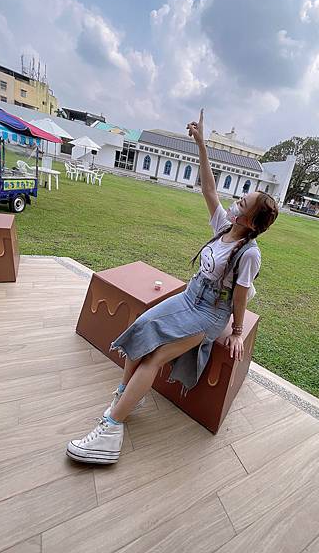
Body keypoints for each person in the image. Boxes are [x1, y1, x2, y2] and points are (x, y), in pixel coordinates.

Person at [66, 109, 279, 464]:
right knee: (140, 331)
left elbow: (239, 297)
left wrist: (237, 332)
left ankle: (111, 429)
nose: (236, 200)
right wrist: (202, 145)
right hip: (189, 296)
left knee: (156, 354)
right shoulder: (224, 226)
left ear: (251, 220)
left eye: (243, 201)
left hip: (209, 315)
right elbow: (209, 186)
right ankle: (123, 396)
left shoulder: (250, 254)